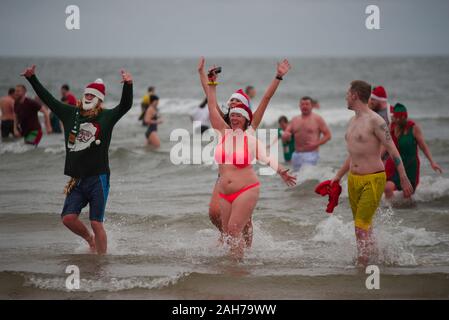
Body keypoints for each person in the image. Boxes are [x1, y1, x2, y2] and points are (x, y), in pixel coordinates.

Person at [22, 64, 133, 255]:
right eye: (87, 94)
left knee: (96, 222)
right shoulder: (70, 114)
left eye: (93, 95)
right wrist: (32, 78)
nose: (88, 97)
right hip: (77, 179)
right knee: (68, 218)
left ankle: (101, 262)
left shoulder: (107, 117)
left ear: (99, 100)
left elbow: (125, 106)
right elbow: (49, 99)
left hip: (98, 178)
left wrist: (128, 85)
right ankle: (89, 240)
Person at [199, 57, 296, 261]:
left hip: (245, 181)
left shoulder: (250, 129)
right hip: (224, 180)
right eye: (231, 105)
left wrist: (278, 76)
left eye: (237, 104)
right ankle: (234, 255)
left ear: (245, 112)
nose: (232, 107)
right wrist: (208, 79)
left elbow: (266, 100)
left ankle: (245, 254)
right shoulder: (224, 129)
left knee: (241, 225)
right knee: (223, 223)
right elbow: (211, 103)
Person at [331, 80, 413, 266]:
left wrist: (403, 176)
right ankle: (376, 257)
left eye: (347, 93)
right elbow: (352, 154)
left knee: (361, 225)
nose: (345, 96)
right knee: (362, 226)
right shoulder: (352, 121)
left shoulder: (376, 121)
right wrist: (337, 177)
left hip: (373, 179)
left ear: (355, 95)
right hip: (354, 180)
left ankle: (362, 265)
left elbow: (392, 149)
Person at [384, 103, 443, 199]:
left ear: (403, 117)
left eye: (399, 117)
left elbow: (423, 146)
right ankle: (390, 211)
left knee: (407, 194)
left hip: (411, 166)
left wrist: (432, 162)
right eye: (395, 117)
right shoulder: (392, 127)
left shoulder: (414, 128)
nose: (396, 119)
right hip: (397, 165)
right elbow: (386, 146)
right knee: (388, 188)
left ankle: (411, 212)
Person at [282, 96, 331, 172]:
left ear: (312, 106)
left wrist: (316, 143)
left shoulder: (317, 119)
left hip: (311, 154)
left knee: (308, 178)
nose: (304, 106)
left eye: (307, 104)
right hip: (296, 154)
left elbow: (328, 135)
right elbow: (286, 133)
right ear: (299, 106)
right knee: (296, 179)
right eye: (302, 104)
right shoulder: (294, 119)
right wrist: (286, 135)